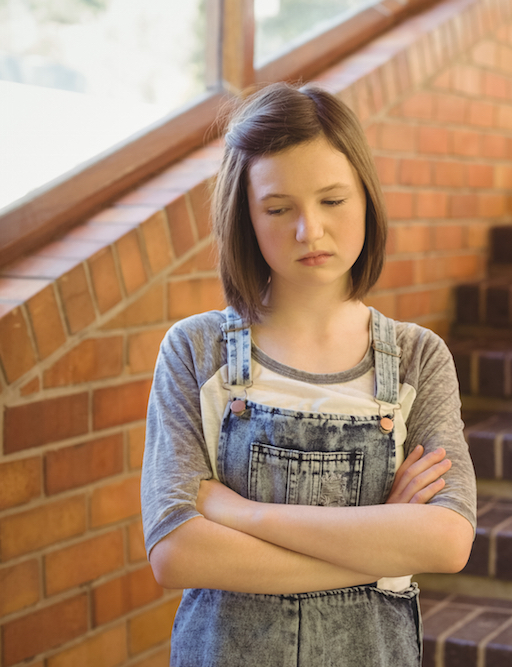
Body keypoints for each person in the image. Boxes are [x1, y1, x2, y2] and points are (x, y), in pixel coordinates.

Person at [139, 83, 476, 666]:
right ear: (245, 215)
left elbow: (446, 540)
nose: (309, 230)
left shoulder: (421, 358)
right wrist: (380, 546)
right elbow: (177, 552)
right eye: (278, 209)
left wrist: (242, 514)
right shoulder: (197, 351)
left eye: (332, 201)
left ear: (366, 198)